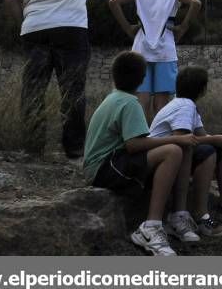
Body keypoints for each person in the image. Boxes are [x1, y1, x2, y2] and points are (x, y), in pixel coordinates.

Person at [4, 0, 111, 158]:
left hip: (34, 30)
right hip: (71, 30)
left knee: (33, 90)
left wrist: (23, 23)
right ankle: (73, 147)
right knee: (72, 89)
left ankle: (33, 146)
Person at [82, 51, 197, 256]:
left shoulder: (115, 98)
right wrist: (175, 138)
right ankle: (150, 226)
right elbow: (134, 145)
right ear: (143, 79)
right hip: (105, 168)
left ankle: (175, 215)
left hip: (102, 166)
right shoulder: (129, 102)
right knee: (172, 151)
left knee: (176, 149)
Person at [148, 65, 222, 242]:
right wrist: (214, 139)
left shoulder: (186, 105)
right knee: (208, 152)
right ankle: (201, 215)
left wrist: (220, 138)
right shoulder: (184, 106)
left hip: (170, 155)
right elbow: (182, 139)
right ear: (202, 90)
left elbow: (201, 135)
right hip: (164, 159)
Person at [108, 0, 202, 121]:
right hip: (165, 53)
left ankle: (141, 140)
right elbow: (196, 3)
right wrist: (182, 28)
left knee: (141, 100)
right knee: (162, 103)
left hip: (140, 53)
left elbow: (113, 2)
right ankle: (160, 138)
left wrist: (128, 28)